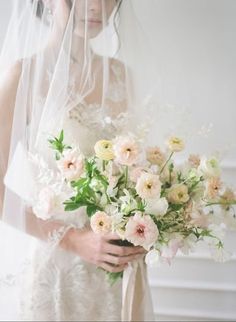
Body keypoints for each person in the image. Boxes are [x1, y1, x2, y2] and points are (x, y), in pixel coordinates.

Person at [0, 0, 157, 321]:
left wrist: (149, 228)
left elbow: (141, 174)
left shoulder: (120, 74)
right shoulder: (25, 74)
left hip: (118, 268)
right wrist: (72, 240)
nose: (96, 6)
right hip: (57, 271)